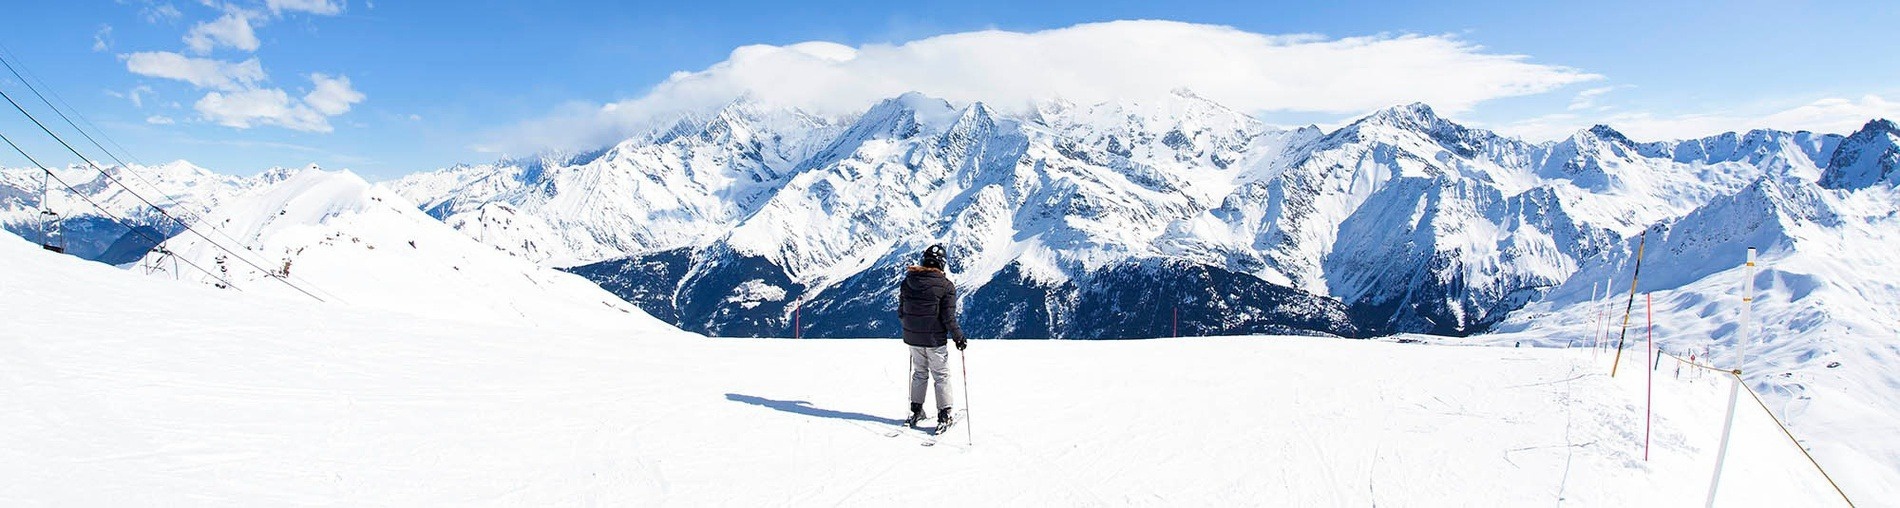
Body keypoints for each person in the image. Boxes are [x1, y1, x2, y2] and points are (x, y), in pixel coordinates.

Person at [898, 244, 967, 429]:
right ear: (942, 264)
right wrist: (958, 337)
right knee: (941, 376)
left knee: (919, 373)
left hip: (913, 338)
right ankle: (944, 415)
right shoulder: (946, 286)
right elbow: (948, 317)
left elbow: (901, 311)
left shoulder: (908, 281)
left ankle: (916, 410)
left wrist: (910, 329)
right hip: (934, 339)